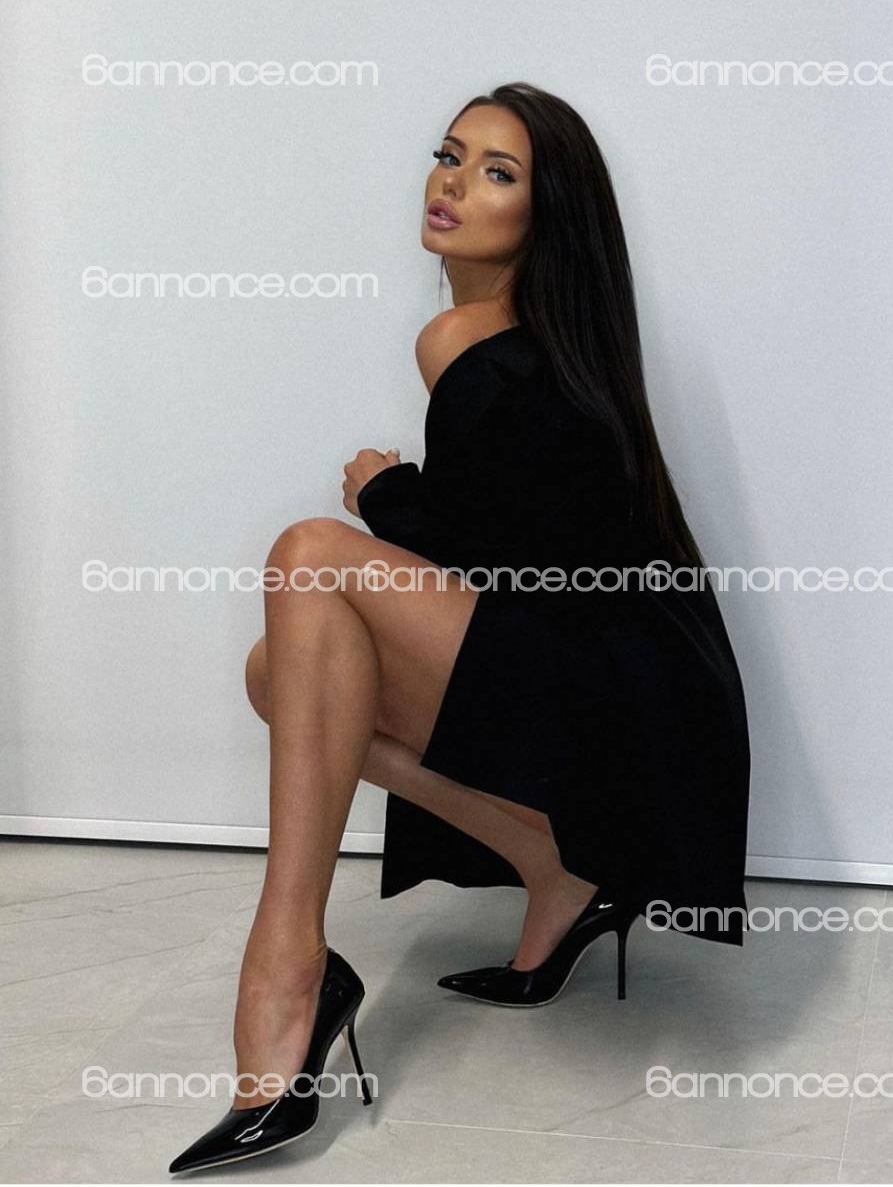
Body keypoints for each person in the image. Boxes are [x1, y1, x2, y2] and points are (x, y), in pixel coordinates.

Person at [169, 81, 751, 1175]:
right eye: (450, 156)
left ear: (544, 214)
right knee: (280, 673)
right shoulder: (545, 343)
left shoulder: (466, 336)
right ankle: (552, 864)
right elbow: (522, 545)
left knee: (309, 552)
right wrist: (405, 504)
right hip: (644, 685)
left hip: (623, 693)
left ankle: (286, 968)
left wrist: (386, 495)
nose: (454, 184)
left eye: (497, 172)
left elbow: (501, 558)